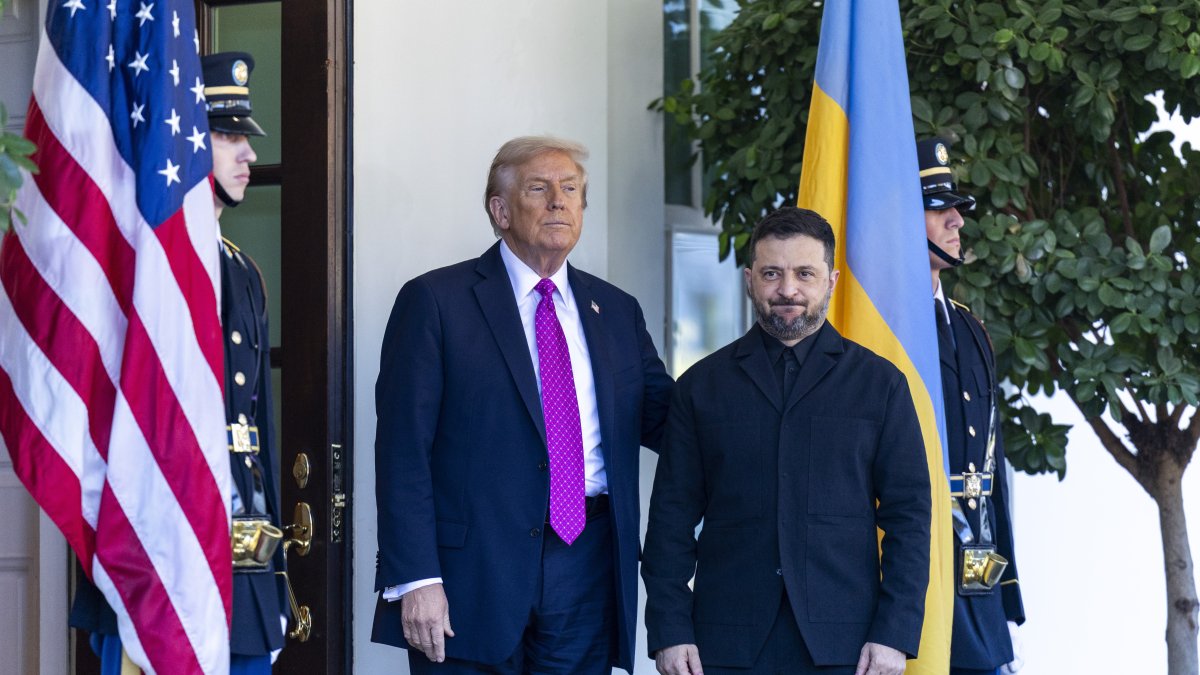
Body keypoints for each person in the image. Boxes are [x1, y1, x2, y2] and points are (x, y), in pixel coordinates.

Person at [370, 135, 673, 674]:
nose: (559, 201)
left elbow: (669, 421)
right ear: (500, 210)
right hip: (472, 576)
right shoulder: (436, 301)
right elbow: (402, 451)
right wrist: (416, 578)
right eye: (539, 188)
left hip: (588, 566)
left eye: (571, 189)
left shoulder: (616, 311)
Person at [68, 51, 289, 675]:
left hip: (239, 566)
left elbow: (258, 433)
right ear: (186, 143)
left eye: (246, 138)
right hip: (156, 557)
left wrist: (274, 582)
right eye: (227, 136)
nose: (248, 154)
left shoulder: (243, 271)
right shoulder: (140, 269)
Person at [642, 206, 932, 675]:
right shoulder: (700, 386)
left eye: (804, 273)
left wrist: (894, 633)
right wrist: (670, 629)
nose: (788, 290)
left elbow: (910, 517)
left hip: (848, 647)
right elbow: (670, 520)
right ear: (750, 279)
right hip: (723, 645)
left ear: (831, 281)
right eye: (772, 273)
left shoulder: (882, 385)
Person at [918, 137, 1025, 675]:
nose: (957, 220)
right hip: (915, 568)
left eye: (957, 208)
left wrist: (1002, 590)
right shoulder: (885, 332)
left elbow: (989, 470)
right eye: (938, 208)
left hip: (977, 566)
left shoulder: (970, 328)